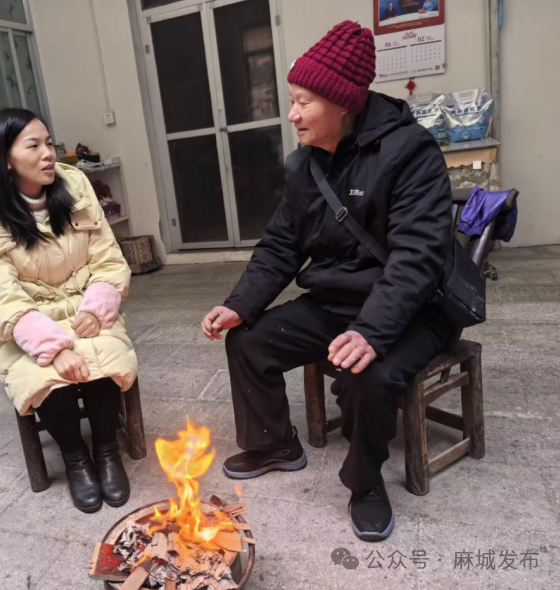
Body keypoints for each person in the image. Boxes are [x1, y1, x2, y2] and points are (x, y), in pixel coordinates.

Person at [201, 21, 455, 541]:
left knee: (367, 374)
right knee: (248, 340)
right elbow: (281, 244)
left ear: (343, 104)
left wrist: (372, 331)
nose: (291, 114)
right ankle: (275, 444)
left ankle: (365, 483)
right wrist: (240, 304)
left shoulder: (410, 153)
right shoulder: (305, 166)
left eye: (303, 102)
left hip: (412, 308)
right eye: (291, 101)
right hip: (337, 301)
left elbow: (418, 256)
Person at [0, 109, 137, 514]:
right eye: (33, 146)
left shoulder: (76, 190)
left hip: (85, 305)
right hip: (27, 320)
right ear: (5, 158)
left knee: (103, 354)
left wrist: (99, 304)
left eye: (50, 143)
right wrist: (52, 347)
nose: (48, 154)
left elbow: (108, 257)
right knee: (43, 374)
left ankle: (106, 450)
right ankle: (76, 458)